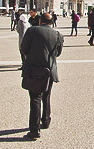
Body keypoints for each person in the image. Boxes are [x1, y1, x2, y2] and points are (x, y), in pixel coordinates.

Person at [20, 12, 63, 140]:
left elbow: (24, 48)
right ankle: (45, 121)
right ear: (52, 22)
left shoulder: (32, 31)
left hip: (34, 69)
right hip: (49, 69)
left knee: (35, 99)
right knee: (46, 95)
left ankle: (34, 130)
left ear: (40, 21)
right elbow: (58, 53)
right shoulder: (58, 34)